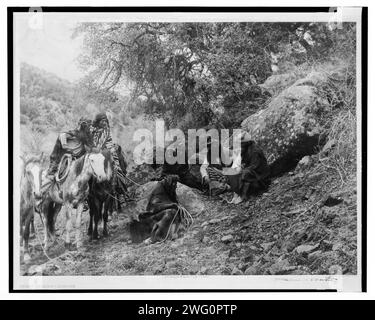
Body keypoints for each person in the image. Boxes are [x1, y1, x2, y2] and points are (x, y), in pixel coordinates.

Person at [38, 117, 95, 197]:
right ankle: (40, 195)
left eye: (91, 126)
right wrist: (65, 145)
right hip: (61, 158)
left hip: (78, 160)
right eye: (89, 126)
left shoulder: (88, 137)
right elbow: (62, 135)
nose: (90, 128)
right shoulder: (74, 133)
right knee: (51, 176)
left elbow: (92, 148)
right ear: (84, 126)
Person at [91, 112, 128, 213]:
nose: (104, 122)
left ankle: (121, 189)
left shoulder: (106, 131)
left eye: (105, 121)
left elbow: (105, 144)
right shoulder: (92, 130)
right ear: (97, 122)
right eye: (102, 121)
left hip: (105, 151)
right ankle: (84, 194)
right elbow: (90, 142)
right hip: (94, 152)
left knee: (116, 167)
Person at [226, 132, 271, 204]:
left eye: (241, 144)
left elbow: (255, 167)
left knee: (245, 174)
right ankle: (237, 195)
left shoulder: (254, 151)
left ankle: (244, 196)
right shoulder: (243, 151)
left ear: (246, 143)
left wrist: (241, 170)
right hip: (251, 173)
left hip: (261, 177)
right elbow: (238, 164)